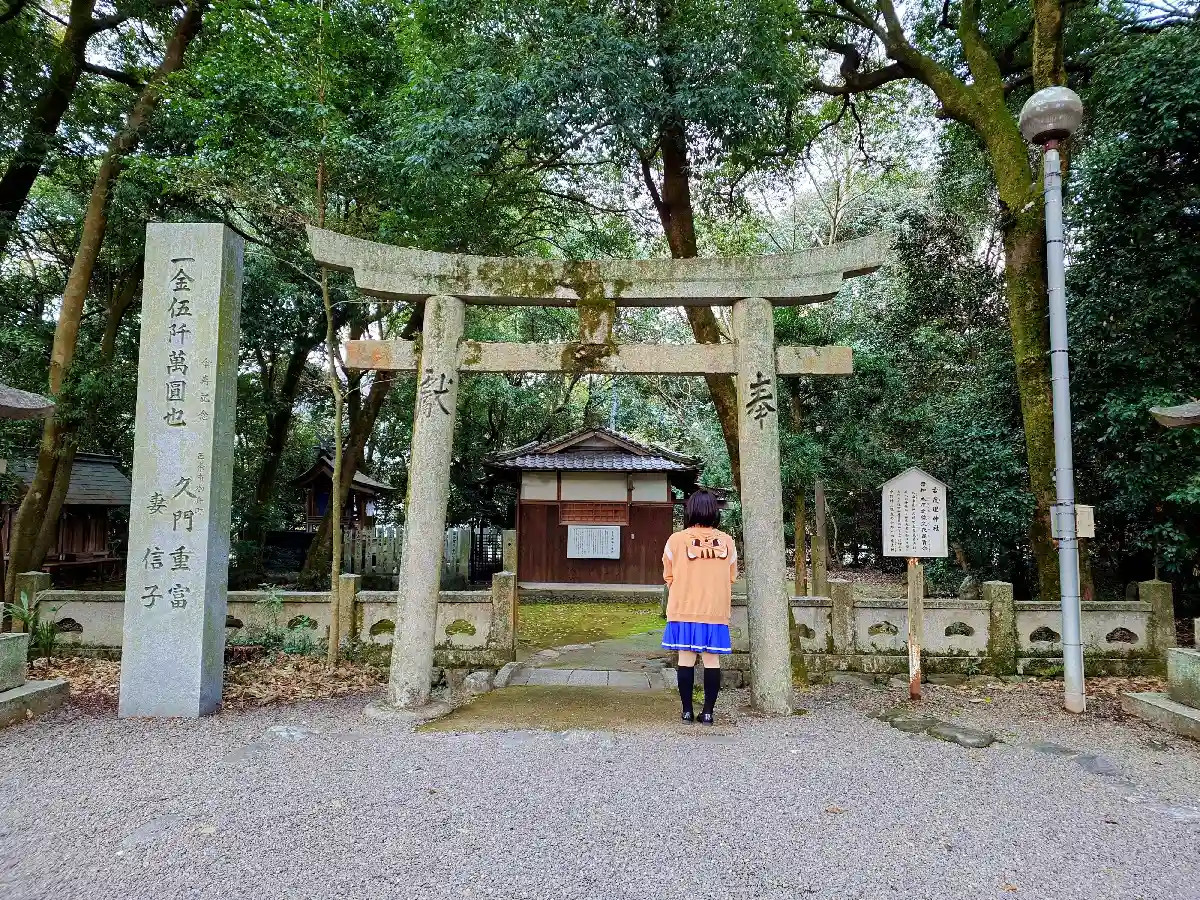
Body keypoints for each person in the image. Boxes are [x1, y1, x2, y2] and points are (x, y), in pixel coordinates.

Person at [661, 488, 737, 724]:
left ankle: (686, 711)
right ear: (715, 512)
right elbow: (732, 576)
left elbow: (668, 575)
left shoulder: (675, 540)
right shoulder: (727, 541)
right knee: (712, 661)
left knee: (686, 659)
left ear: (690, 511)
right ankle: (708, 713)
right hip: (715, 610)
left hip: (683, 608)